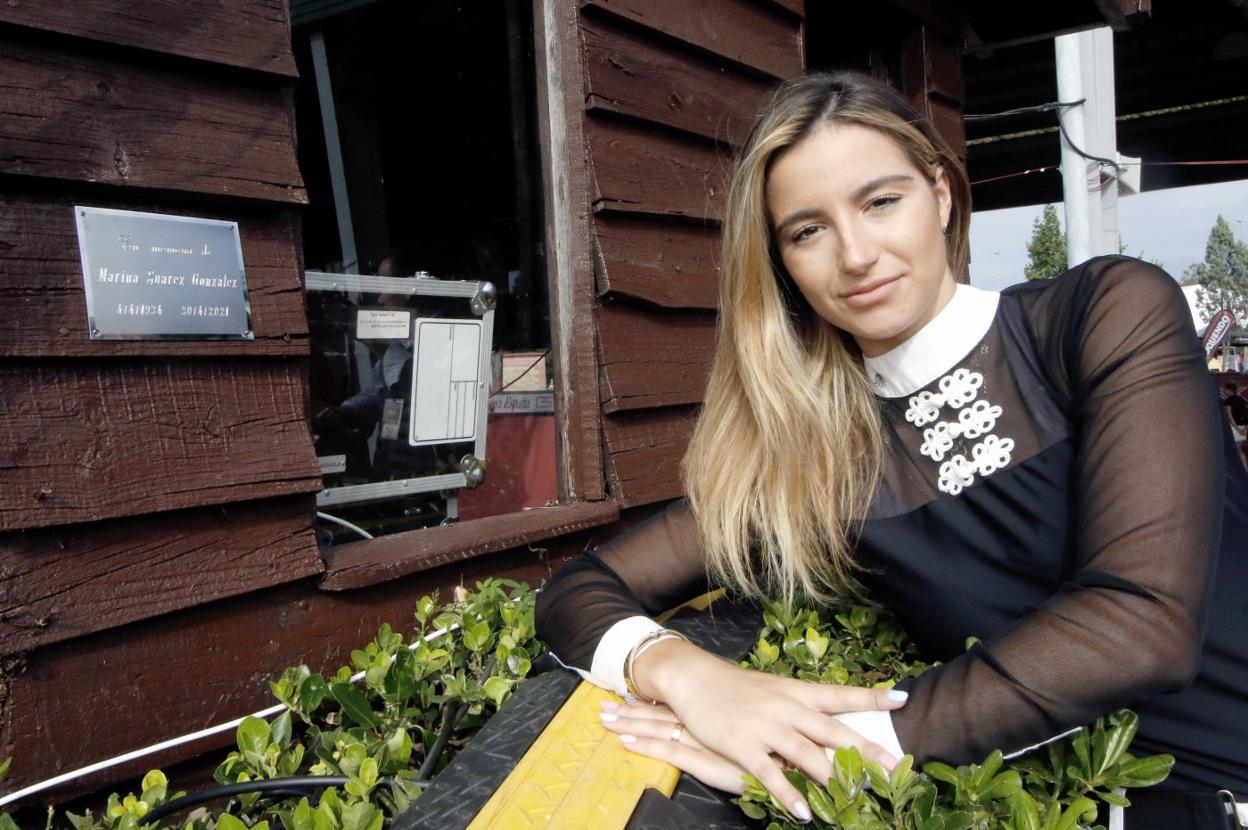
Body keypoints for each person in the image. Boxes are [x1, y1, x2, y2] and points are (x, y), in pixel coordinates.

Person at [534, 71, 1248, 828]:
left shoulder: (1100, 314)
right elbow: (579, 588)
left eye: (881, 202)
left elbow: (1141, 625)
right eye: (807, 231)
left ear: (940, 195)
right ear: (783, 268)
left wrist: (826, 753)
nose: (856, 254)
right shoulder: (818, 459)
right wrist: (687, 676)